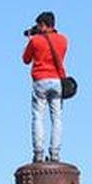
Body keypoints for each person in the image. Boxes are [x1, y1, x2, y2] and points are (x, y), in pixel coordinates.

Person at [21, 11, 69, 162]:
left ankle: (38, 153)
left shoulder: (35, 41)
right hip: (56, 81)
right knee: (57, 118)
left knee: (38, 117)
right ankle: (55, 153)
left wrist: (30, 39)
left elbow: (25, 59)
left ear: (43, 25)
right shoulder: (63, 40)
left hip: (40, 81)